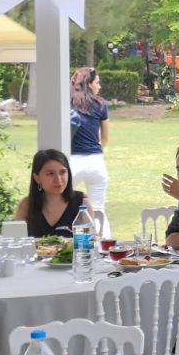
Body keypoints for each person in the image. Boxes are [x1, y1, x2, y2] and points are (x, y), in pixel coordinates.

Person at [68, 66, 111, 238]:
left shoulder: (69, 103)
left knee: (65, 204)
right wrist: (97, 152)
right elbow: (105, 137)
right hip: (96, 162)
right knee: (98, 209)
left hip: (73, 162)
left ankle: (72, 240)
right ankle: (104, 243)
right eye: (97, 82)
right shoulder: (100, 105)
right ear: (89, 84)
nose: (99, 86)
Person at [13, 149, 94, 237]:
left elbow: (90, 238)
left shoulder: (82, 203)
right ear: (37, 178)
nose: (58, 179)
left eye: (63, 172)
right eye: (50, 174)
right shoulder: (26, 205)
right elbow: (17, 239)